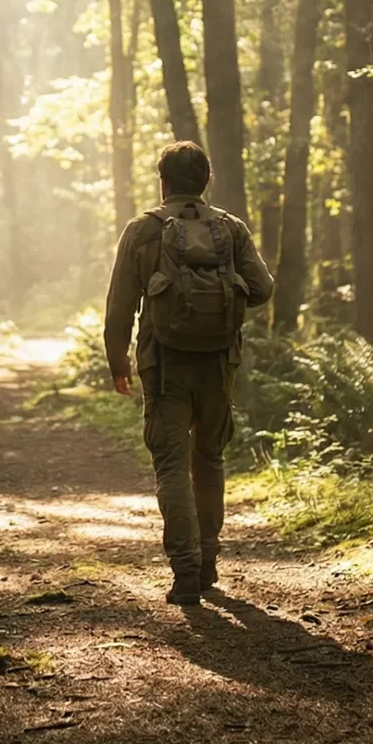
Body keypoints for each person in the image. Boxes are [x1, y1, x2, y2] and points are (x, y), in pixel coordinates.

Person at [104, 141, 274, 606]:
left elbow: (120, 306)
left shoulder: (143, 230)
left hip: (165, 366)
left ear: (163, 182)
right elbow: (262, 288)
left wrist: (118, 364)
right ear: (206, 181)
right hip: (220, 363)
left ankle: (185, 573)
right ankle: (209, 563)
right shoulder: (230, 229)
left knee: (173, 466)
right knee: (209, 460)